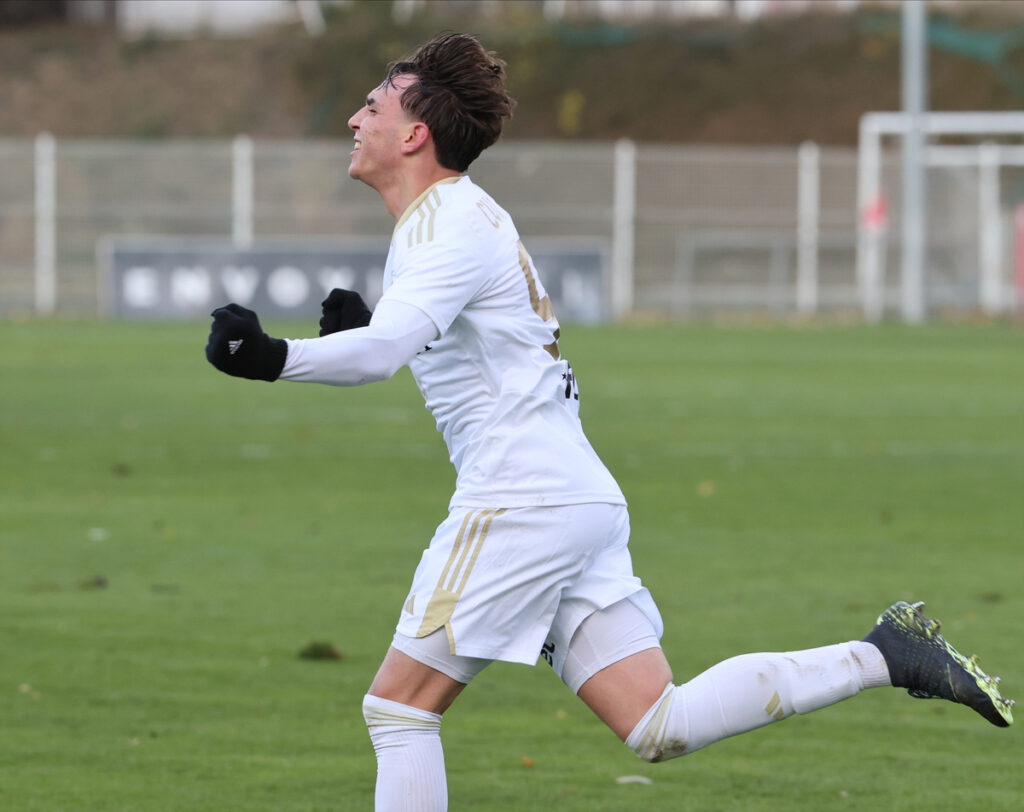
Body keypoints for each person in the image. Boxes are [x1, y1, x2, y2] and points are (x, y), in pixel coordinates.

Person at [205, 32, 1014, 811]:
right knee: (658, 722)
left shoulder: (446, 222)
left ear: (415, 133)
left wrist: (271, 358)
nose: (355, 119)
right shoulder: (453, 217)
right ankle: (883, 654)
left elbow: (385, 355)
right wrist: (357, 335)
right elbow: (451, 353)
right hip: (573, 501)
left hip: (522, 503)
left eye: (372, 107)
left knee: (400, 712)